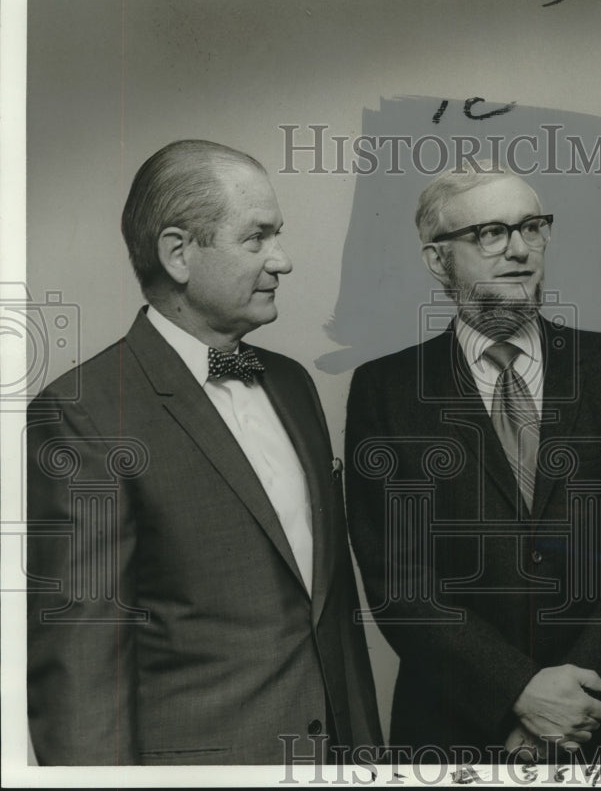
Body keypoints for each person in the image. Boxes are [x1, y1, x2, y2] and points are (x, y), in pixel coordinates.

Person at [26, 139, 381, 765]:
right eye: (257, 238)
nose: (284, 260)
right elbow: (81, 664)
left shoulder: (292, 383)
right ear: (178, 254)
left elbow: (331, 613)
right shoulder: (83, 413)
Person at [345, 165, 601, 762]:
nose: (520, 250)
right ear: (437, 260)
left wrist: (570, 698)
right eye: (489, 233)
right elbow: (398, 580)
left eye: (532, 227)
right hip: (460, 730)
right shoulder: (385, 391)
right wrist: (515, 693)